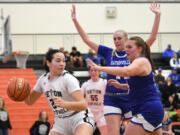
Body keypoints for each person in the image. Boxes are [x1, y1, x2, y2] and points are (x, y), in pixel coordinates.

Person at [71, 1, 161, 135]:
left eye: (119, 38)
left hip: (131, 98)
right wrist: (75, 20)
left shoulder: (136, 55)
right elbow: (87, 40)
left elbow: (152, 37)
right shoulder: (109, 52)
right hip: (112, 97)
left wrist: (157, 15)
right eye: (114, 39)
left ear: (126, 39)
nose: (116, 41)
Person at [86, 36, 164, 135]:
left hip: (147, 110)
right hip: (151, 109)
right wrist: (121, 86)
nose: (126, 49)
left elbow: (126, 71)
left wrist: (100, 68)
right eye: (126, 47)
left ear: (139, 49)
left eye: (130, 47)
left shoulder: (141, 61)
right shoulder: (138, 63)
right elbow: (139, 86)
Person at [25, 49, 94, 135]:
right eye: (58, 61)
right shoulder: (43, 80)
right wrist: (21, 94)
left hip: (79, 117)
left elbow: (83, 105)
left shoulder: (68, 79)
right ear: (48, 63)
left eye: (63, 61)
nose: (62, 64)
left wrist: (64, 104)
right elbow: (30, 101)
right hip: (60, 121)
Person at [81, 67, 108, 135]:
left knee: (105, 133)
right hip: (89, 113)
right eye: (91, 71)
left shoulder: (104, 82)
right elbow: (80, 97)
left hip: (101, 113)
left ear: (99, 72)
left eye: (95, 70)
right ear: (89, 72)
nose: (93, 72)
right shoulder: (85, 84)